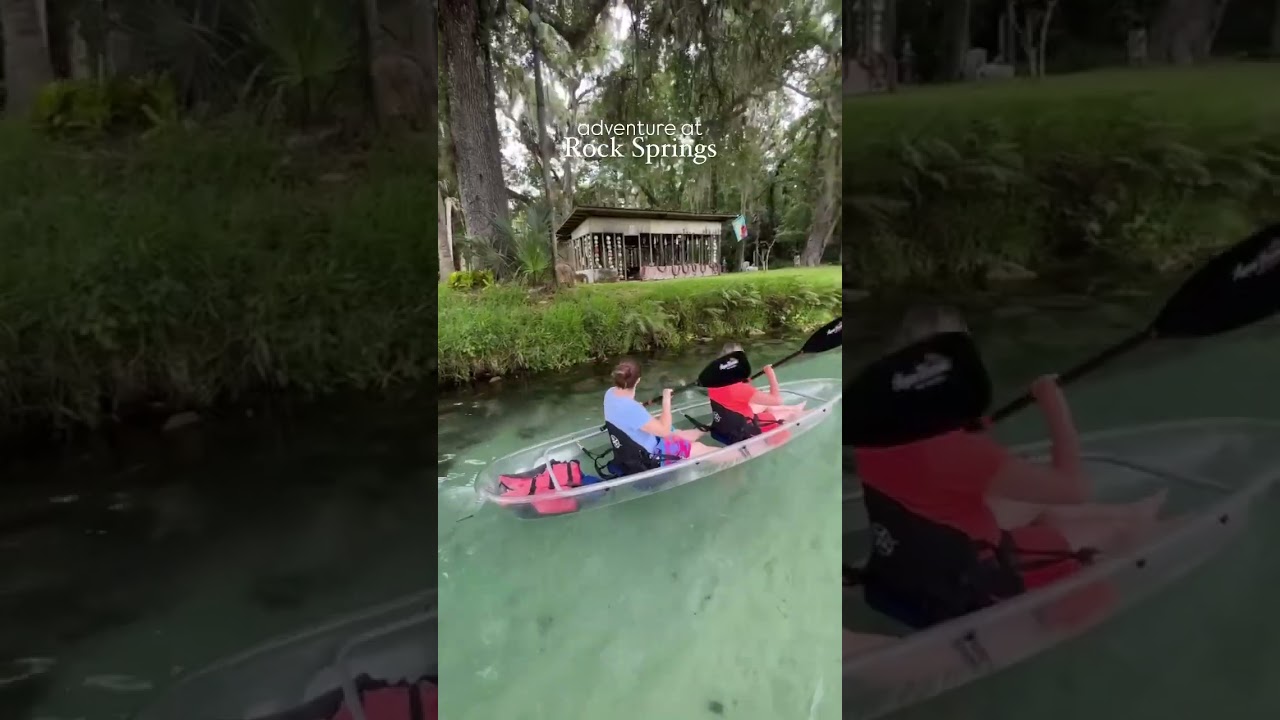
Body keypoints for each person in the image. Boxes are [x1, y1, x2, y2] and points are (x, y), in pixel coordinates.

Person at [849, 305, 1167, 627]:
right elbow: (1076, 488)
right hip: (972, 581)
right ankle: (1137, 524)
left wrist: (961, 425)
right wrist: (1053, 404)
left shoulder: (870, 436)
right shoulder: (965, 453)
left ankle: (1134, 514)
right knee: (1113, 529)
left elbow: (928, 460)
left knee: (1048, 511)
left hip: (909, 565)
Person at [604, 358, 718, 467]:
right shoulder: (632, 409)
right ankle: (735, 455)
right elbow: (665, 431)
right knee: (698, 448)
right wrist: (666, 400)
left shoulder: (610, 394)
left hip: (632, 450)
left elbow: (628, 411)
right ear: (638, 380)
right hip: (650, 458)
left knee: (677, 433)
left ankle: (709, 429)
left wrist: (636, 407)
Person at [705, 343, 807, 440]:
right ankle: (796, 412)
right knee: (788, 413)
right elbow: (777, 401)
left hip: (726, 422)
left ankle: (794, 408)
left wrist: (741, 381)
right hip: (745, 427)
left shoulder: (712, 382)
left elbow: (732, 394)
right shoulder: (740, 389)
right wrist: (770, 374)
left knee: (767, 406)